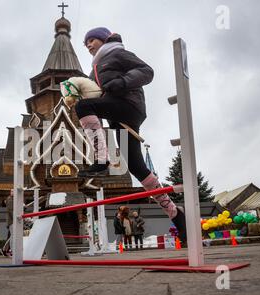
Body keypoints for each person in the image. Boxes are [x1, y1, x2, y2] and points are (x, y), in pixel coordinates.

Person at [75, 27, 187, 243]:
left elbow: (146, 71)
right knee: (136, 166)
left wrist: (123, 82)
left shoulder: (117, 53)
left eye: (92, 40)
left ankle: (101, 157)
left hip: (128, 105)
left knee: (83, 107)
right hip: (117, 118)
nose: (88, 45)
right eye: (85, 43)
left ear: (104, 39)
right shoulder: (94, 70)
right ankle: (176, 215)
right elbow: (94, 94)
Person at [3, 190, 14, 256]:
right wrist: (15, 218)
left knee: (12, 236)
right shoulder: (10, 199)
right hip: (12, 220)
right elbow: (10, 210)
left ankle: (5, 249)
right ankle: (12, 250)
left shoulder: (11, 199)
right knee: (13, 236)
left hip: (11, 220)